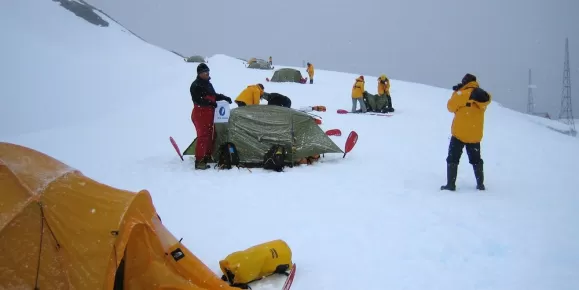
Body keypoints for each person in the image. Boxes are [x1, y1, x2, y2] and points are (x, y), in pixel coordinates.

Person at [441, 73, 491, 191]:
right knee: (476, 160)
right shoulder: (482, 96)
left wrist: (456, 92)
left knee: (453, 158)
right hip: (475, 134)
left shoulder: (462, 94)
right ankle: (480, 184)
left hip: (460, 133)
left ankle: (451, 184)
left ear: (465, 82)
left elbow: (450, 107)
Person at [190, 63, 232, 170]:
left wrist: (224, 97)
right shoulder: (195, 85)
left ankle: (207, 156)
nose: (207, 74)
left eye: (208, 72)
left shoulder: (208, 84)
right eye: (204, 72)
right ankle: (199, 161)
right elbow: (198, 100)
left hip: (209, 114)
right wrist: (209, 102)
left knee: (210, 135)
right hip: (200, 114)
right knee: (203, 136)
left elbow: (214, 96)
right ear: (199, 74)